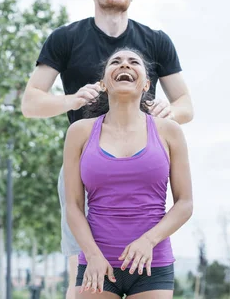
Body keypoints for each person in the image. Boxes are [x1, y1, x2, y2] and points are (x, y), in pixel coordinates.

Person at [21, 0, 194, 297]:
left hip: (146, 165)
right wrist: (71, 101)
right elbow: (30, 103)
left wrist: (170, 111)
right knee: (81, 273)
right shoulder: (66, 38)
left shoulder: (156, 41)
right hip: (90, 164)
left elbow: (186, 105)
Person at [63, 48, 193, 298]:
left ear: (146, 84)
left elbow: (185, 204)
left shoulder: (170, 131)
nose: (125, 65)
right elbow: (73, 206)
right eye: (116, 62)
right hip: (95, 263)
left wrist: (148, 241)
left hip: (152, 264)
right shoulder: (79, 132)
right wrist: (92, 255)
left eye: (134, 62)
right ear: (103, 83)